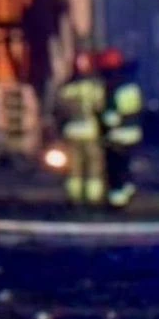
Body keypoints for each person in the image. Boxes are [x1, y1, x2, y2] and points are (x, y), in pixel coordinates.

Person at [53, 51, 107, 207]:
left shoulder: (67, 88)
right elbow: (100, 107)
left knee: (74, 169)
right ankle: (93, 199)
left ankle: (75, 198)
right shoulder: (95, 87)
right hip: (90, 131)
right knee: (94, 167)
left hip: (71, 132)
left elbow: (59, 110)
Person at [97, 48, 145, 209]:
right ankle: (127, 191)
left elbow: (111, 118)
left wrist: (100, 121)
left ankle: (117, 201)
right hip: (133, 133)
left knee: (116, 169)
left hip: (117, 135)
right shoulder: (132, 87)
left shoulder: (113, 88)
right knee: (126, 166)